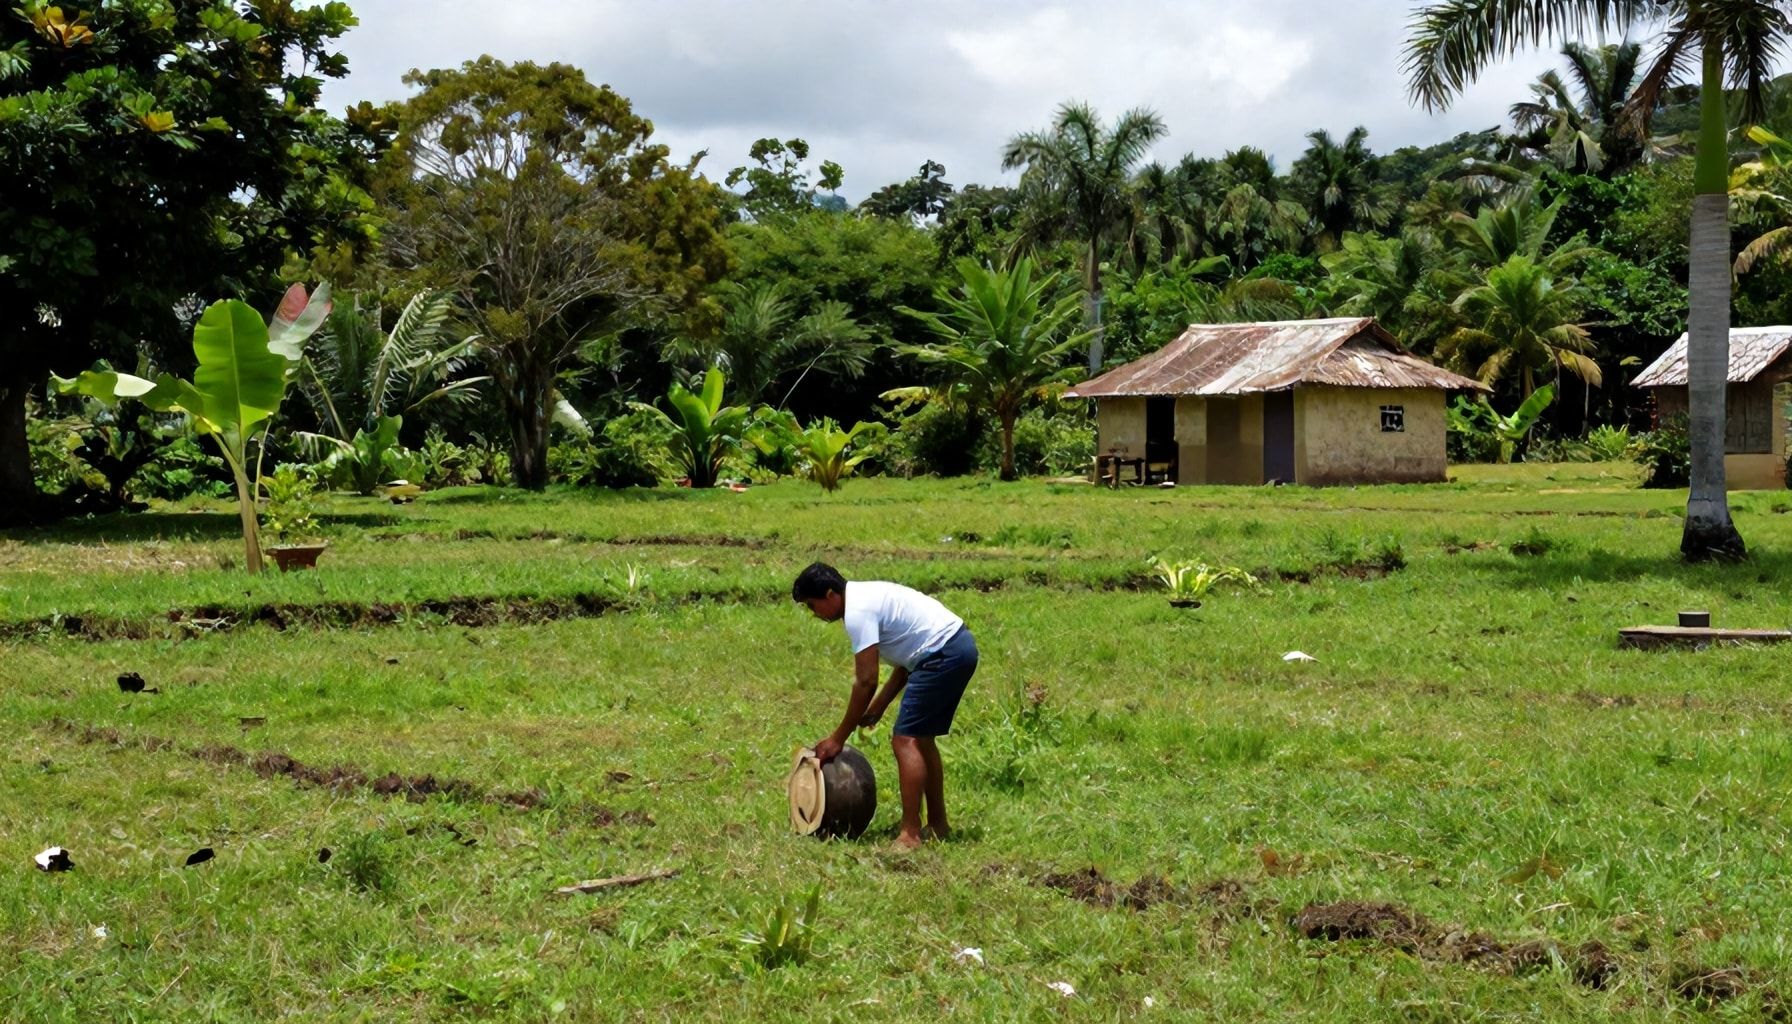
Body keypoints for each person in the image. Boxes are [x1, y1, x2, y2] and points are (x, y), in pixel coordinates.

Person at [792, 562, 979, 848]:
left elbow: (866, 680)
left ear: (830, 595)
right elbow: (906, 662)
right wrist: (878, 707)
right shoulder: (864, 596)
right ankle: (938, 824)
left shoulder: (858, 612)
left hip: (942, 654)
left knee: (906, 741)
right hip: (957, 646)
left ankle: (910, 834)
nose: (814, 613)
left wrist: (838, 738)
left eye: (812, 605)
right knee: (922, 740)